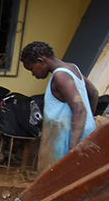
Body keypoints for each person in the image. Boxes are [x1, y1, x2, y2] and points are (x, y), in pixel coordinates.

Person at [19, 41, 99, 172]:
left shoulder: (60, 75)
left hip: (67, 139)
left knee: (60, 178)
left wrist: (73, 146)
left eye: (32, 69)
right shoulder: (72, 68)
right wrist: (89, 120)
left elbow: (79, 109)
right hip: (82, 132)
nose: (33, 74)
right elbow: (94, 93)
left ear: (41, 61)